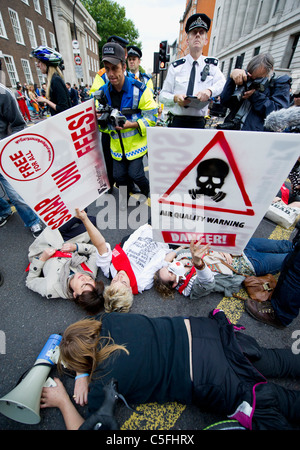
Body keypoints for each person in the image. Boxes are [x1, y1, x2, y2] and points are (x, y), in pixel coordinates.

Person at [41, 309, 300, 430]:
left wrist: (64, 399)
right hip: (209, 333)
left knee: (278, 401)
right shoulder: (108, 320)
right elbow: (92, 323)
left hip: (210, 375)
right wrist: (82, 373)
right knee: (276, 360)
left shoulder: (103, 383)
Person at [75, 209, 173, 312]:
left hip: (150, 226)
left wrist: (85, 219)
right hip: (167, 238)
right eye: (124, 282)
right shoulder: (141, 281)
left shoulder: (109, 269)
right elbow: (162, 261)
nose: (120, 276)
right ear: (130, 290)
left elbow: (100, 244)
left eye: (115, 280)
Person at [98, 42, 157, 209]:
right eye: (107, 69)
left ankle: (147, 192)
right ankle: (131, 191)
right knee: (119, 177)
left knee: (136, 174)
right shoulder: (102, 92)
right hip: (116, 147)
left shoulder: (139, 89)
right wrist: (102, 121)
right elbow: (102, 127)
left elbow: (152, 117)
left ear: (123, 67)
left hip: (135, 145)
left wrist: (131, 124)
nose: (110, 74)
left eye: (114, 68)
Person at [154, 237, 294, 300]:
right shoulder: (192, 288)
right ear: (174, 284)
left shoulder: (179, 258)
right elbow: (208, 283)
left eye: (169, 267)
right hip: (248, 264)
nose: (173, 267)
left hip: (239, 246)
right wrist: (198, 263)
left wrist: (221, 248)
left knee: (284, 245)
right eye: (171, 273)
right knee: (292, 257)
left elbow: (168, 257)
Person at [25, 216, 105, 315]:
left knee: (75, 212)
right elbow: (95, 251)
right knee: (89, 219)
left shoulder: (51, 288)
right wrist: (76, 247)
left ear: (75, 295)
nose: (85, 278)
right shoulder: (89, 273)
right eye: (90, 280)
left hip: (46, 246)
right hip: (68, 242)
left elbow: (30, 281)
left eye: (83, 285)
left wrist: (42, 259)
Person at [159, 13, 225, 129]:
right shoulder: (176, 67)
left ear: (206, 40)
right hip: (177, 122)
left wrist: (209, 91)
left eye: (201, 32)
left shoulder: (212, 65)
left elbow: (222, 84)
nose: (198, 35)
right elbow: (163, 96)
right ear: (188, 39)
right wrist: (175, 98)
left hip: (198, 123)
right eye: (194, 32)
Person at [0, 82, 43, 238]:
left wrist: (9, 149)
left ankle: (33, 221)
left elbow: (19, 125)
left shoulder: (3, 94)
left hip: (3, 156)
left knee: (16, 194)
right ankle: (4, 210)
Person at [90, 35, 130, 192]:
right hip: (109, 125)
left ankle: (126, 184)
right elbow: (94, 96)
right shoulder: (102, 74)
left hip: (125, 125)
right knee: (108, 156)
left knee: (127, 159)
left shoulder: (129, 74)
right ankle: (110, 184)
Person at [219, 53, 291, 131]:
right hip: (233, 129)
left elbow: (277, 113)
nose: (254, 81)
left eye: (259, 78)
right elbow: (225, 101)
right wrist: (232, 79)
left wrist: (255, 96)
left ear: (271, 70)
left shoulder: (279, 83)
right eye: (252, 78)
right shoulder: (245, 76)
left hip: (256, 135)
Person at [31, 46, 72, 116]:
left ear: (46, 63)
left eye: (39, 62)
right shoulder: (53, 79)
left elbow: (63, 108)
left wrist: (46, 100)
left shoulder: (56, 80)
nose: (38, 65)